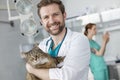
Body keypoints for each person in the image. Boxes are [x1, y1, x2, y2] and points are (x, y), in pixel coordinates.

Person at [26, 0, 90, 80]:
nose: (52, 21)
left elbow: (66, 76)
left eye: (55, 14)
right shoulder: (43, 45)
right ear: (42, 22)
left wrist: (32, 70)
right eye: (46, 17)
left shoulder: (79, 40)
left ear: (64, 15)